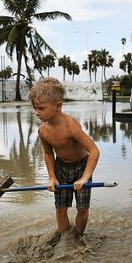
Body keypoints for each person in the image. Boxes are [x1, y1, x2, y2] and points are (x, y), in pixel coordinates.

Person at [27, 78, 100, 237]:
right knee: (60, 209)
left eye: (41, 108)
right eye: (34, 108)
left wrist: (85, 178)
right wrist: (52, 177)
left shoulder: (71, 126)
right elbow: (48, 154)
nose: (36, 112)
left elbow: (94, 151)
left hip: (82, 167)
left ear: (58, 106)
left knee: (82, 209)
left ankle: (79, 237)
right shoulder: (43, 131)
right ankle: (65, 239)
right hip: (61, 167)